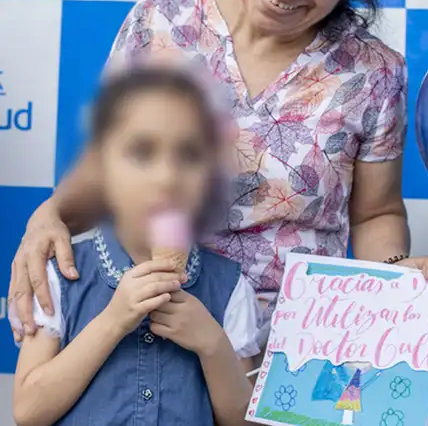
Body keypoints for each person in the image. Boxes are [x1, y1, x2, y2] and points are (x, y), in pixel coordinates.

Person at [9, 0, 428, 351]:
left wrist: (390, 279)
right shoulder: (160, 23)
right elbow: (106, 169)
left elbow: (375, 214)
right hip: (151, 335)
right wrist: (51, 215)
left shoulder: (374, 71)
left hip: (289, 353)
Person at [11, 67, 259, 425]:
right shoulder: (62, 276)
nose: (167, 177)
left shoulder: (230, 288)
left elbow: (240, 420)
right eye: (142, 153)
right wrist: (112, 321)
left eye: (189, 155)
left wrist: (213, 345)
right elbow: (28, 412)